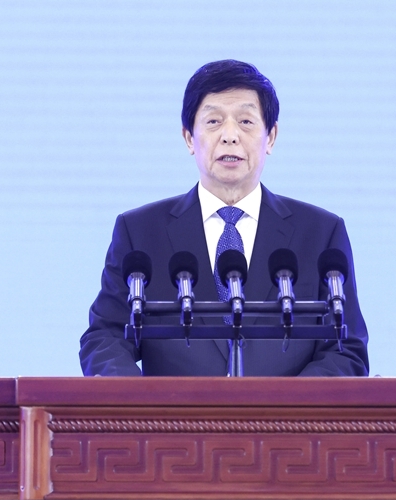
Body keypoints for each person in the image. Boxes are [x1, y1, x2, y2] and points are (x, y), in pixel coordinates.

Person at [79, 60, 368, 377]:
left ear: (271, 137)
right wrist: (143, 401)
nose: (230, 136)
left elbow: (346, 350)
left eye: (246, 121)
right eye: (214, 121)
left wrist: (285, 404)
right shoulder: (140, 232)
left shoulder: (320, 233)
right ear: (189, 138)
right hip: (171, 411)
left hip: (285, 411)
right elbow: (105, 338)